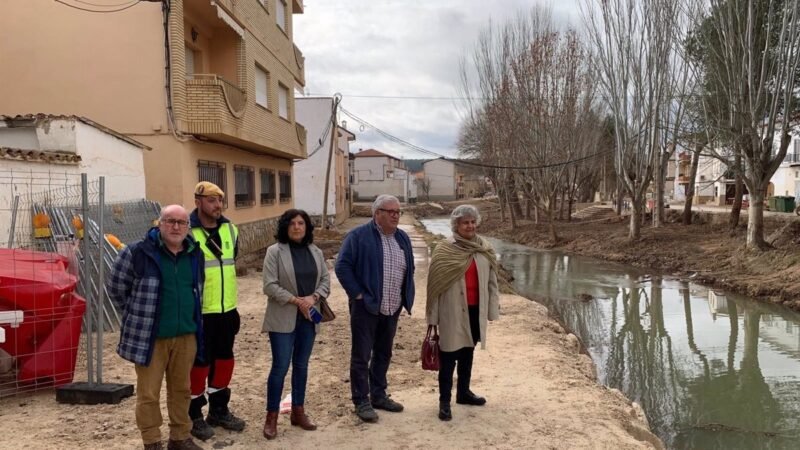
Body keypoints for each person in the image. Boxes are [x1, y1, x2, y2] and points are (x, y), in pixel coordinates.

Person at [107, 205, 205, 450]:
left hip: (186, 334)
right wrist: (137, 314)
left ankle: (180, 437)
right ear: (159, 223)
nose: (175, 227)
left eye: (181, 222)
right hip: (151, 337)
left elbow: (197, 288)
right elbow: (116, 288)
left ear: (187, 227)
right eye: (170, 221)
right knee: (149, 393)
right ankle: (151, 442)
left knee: (182, 390)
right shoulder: (137, 252)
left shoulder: (195, 253)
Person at [335, 194, 415, 423]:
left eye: (398, 212)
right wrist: (358, 295)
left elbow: (409, 268)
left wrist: (405, 296)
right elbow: (342, 266)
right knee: (361, 355)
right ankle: (361, 400)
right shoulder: (358, 236)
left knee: (384, 352)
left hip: (392, 307)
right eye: (390, 211)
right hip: (366, 308)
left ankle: (378, 395)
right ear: (377, 213)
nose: (395, 216)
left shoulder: (403, 238)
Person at [261, 209, 331, 440]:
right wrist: (296, 301)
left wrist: (313, 299)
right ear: (285, 226)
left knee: (301, 365)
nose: (297, 227)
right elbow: (269, 286)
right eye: (292, 223)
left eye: (301, 223)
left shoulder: (315, 251)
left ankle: (298, 412)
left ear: (307, 226)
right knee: (280, 367)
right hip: (282, 317)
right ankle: (271, 417)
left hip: (309, 318)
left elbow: (325, 280)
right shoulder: (274, 252)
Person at [426, 204, 499, 421]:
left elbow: (492, 282)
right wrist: (433, 318)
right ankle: (444, 402)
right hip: (451, 312)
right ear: (456, 225)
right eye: (465, 222)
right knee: (448, 358)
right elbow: (435, 286)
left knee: (468, 353)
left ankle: (464, 393)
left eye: (472, 222)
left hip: (476, 310)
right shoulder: (444, 249)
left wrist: (492, 311)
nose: (470, 226)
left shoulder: (483, 248)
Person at [187, 181, 246, 440]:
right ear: (198, 201)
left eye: (220, 200)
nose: (218, 205)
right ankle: (194, 416)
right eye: (211, 200)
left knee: (224, 361)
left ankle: (219, 410)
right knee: (199, 365)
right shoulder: (188, 233)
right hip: (201, 314)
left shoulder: (231, 231)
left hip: (227, 311)